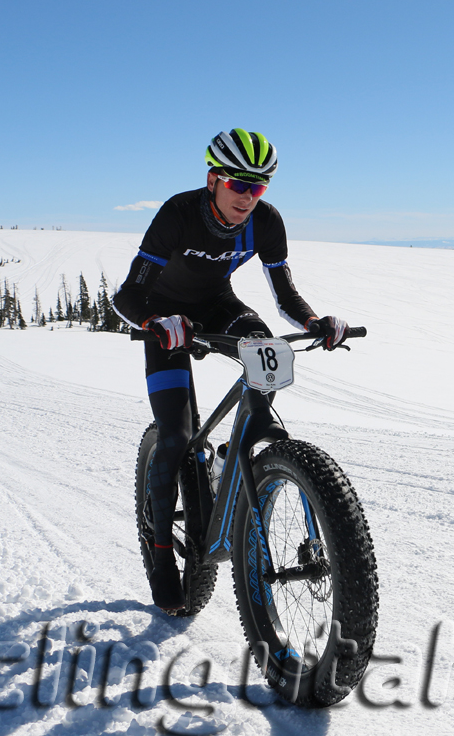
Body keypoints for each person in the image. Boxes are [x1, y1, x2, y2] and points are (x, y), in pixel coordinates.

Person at [113, 128, 350, 614]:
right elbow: (127, 295)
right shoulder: (179, 213)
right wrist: (154, 321)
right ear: (213, 178)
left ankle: (230, 461)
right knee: (176, 436)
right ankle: (161, 554)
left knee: (267, 356)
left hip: (218, 306)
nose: (248, 196)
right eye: (239, 184)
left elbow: (284, 293)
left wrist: (314, 322)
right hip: (166, 319)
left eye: (259, 186)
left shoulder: (265, 222)